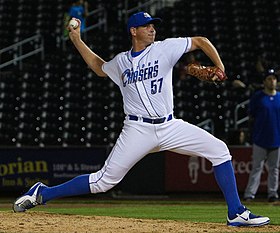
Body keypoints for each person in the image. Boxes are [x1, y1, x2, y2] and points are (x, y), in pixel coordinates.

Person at [13, 12, 270, 227]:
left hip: (170, 126)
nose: (152, 29)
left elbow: (201, 41)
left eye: (153, 25)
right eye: (147, 26)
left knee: (220, 150)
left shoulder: (165, 48)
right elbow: (99, 67)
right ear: (133, 31)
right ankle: (42, 193)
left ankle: (235, 212)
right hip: (137, 129)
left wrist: (220, 68)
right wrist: (77, 40)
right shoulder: (121, 62)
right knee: (103, 182)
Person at [244, 69, 280, 202]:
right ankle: (250, 193)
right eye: (269, 79)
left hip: (277, 139)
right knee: (256, 167)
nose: (272, 81)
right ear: (264, 81)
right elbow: (251, 116)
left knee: (274, 169)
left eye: (274, 79)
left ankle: (272, 193)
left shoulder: (279, 97)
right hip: (260, 138)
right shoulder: (258, 97)